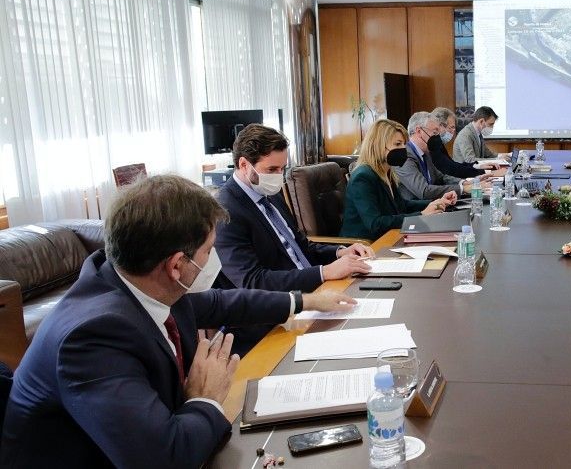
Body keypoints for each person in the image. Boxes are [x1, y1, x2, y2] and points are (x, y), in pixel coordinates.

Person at [1, 175, 358, 467]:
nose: (213, 260)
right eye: (208, 250)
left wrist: (304, 300)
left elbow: (221, 302)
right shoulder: (93, 337)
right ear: (176, 265)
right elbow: (164, 459)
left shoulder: (139, 280)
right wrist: (207, 399)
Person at [215, 124, 372, 294]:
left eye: (282, 168)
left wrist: (340, 252)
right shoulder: (225, 211)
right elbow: (253, 281)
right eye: (271, 169)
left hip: (314, 286)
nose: (278, 176)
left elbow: (301, 246)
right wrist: (324, 273)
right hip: (285, 301)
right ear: (244, 164)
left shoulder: (270, 193)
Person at [341, 119, 456, 241]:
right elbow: (375, 224)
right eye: (397, 144)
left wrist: (434, 203)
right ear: (379, 145)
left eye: (404, 144)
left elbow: (401, 205)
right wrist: (422, 215)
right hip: (365, 244)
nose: (403, 149)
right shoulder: (363, 177)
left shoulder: (387, 172)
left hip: (388, 236)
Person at [396, 112, 476, 201]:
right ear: (419, 131)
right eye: (434, 133)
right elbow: (424, 191)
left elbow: (441, 178)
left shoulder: (426, 153)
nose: (437, 138)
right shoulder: (404, 157)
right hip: (417, 208)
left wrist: (464, 183)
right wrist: (463, 189)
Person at [427, 107, 503, 179]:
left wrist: (480, 166)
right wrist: (485, 171)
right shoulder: (465, 134)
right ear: (440, 126)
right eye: (451, 127)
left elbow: (451, 164)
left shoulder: (438, 144)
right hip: (458, 177)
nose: (453, 131)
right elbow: (452, 168)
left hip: (460, 175)